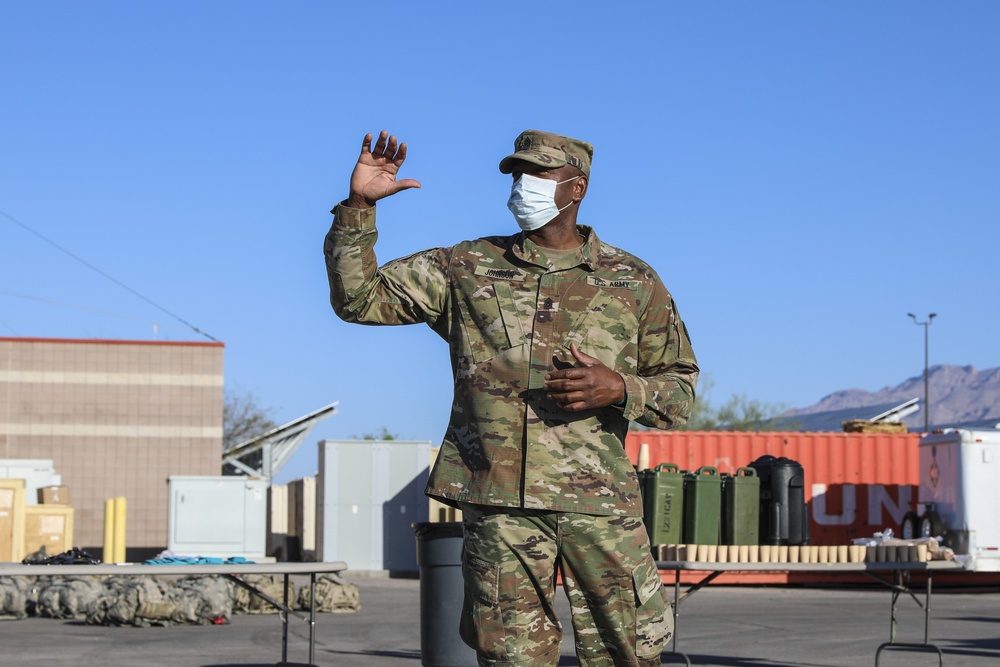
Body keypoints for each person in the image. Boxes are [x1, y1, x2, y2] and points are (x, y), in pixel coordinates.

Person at [324, 129, 699, 667]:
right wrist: (359, 206)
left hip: (599, 505)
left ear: (577, 188)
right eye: (517, 174)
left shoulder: (633, 282)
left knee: (629, 656)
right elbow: (358, 300)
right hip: (500, 508)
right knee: (510, 659)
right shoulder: (466, 266)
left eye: (539, 174)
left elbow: (681, 392)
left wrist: (622, 388)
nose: (524, 185)